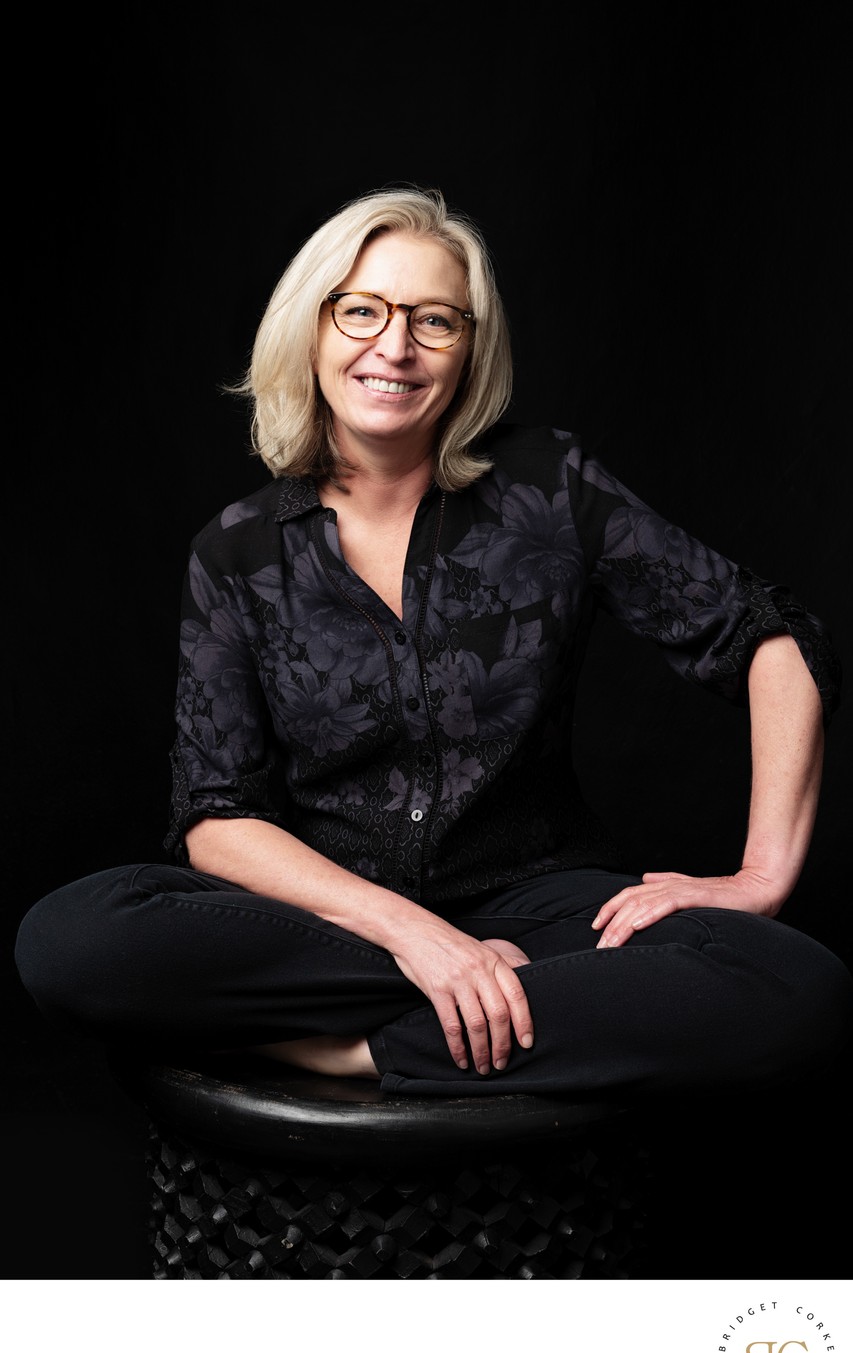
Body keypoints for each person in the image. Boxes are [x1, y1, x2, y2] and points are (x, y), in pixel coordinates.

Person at [14, 184, 852, 1102]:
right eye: (362, 310)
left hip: (539, 912)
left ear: (468, 350)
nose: (395, 347)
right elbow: (216, 815)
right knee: (74, 937)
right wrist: (417, 937)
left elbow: (767, 634)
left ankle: (350, 1051)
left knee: (790, 981)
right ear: (314, 327)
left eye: (434, 321)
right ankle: (471, 1005)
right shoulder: (237, 548)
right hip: (329, 926)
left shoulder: (548, 485)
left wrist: (761, 874)